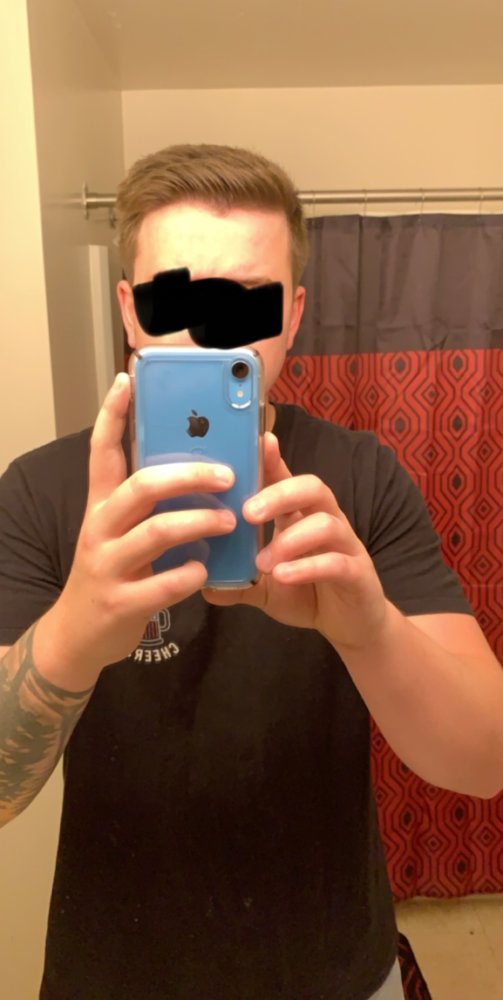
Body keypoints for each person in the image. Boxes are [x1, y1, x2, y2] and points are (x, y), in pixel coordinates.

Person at [0, 144, 502, 1000]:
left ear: (294, 315)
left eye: (246, 301)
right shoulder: (39, 492)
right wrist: (72, 637)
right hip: (110, 979)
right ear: (129, 311)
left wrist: (369, 630)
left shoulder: (362, 478)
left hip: (337, 974)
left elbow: (483, 761)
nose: (208, 331)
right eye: (174, 298)